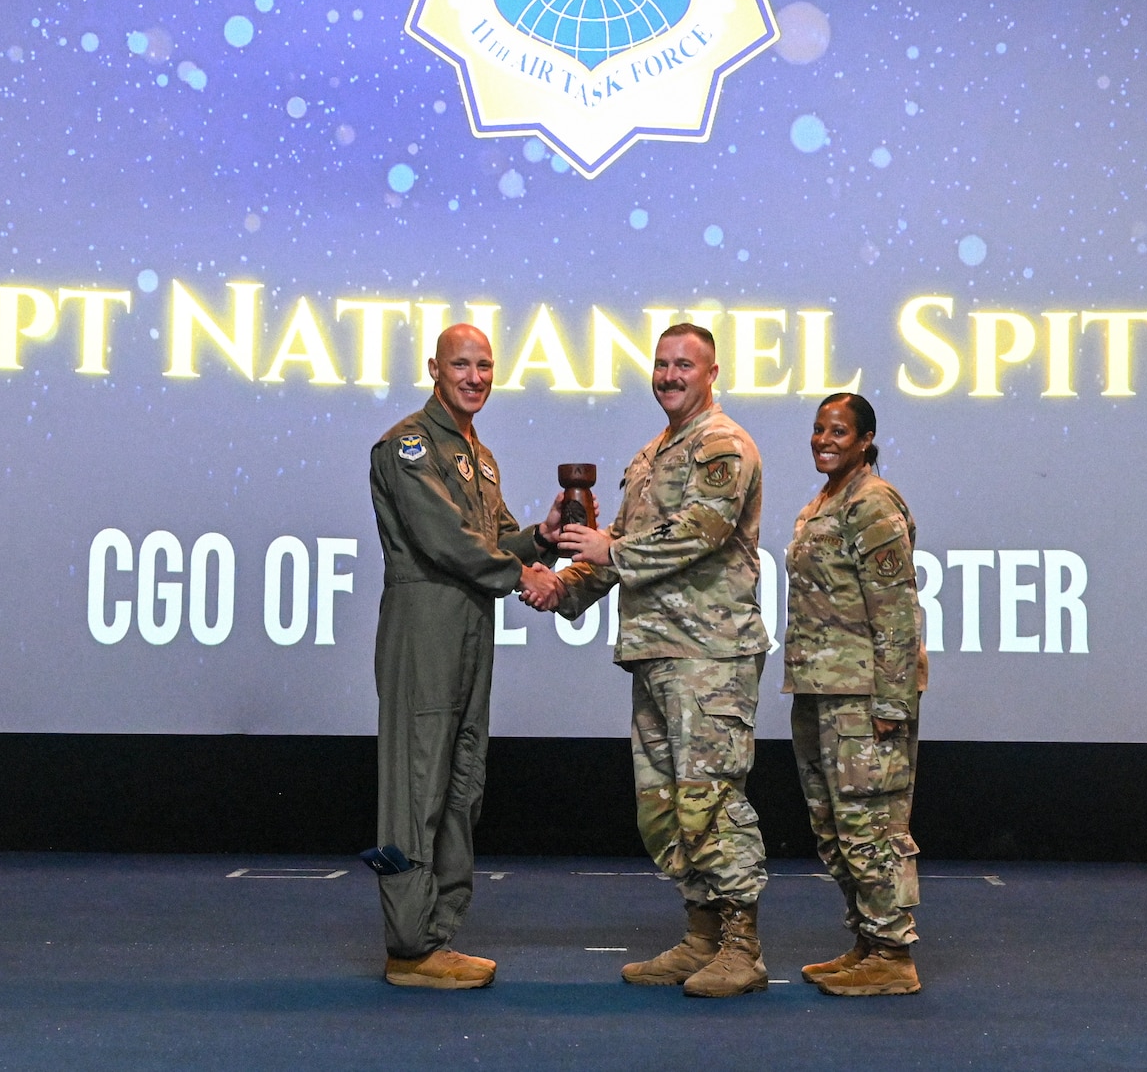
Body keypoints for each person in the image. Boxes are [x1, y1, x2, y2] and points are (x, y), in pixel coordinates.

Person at [538, 323, 771, 999]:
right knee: (666, 807)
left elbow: (698, 532)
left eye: (684, 365)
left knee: (712, 802)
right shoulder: (650, 454)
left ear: (711, 371)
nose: (670, 375)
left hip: (709, 656)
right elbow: (623, 549)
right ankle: (701, 936)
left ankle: (741, 946)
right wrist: (561, 585)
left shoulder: (722, 445)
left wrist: (608, 551)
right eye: (662, 364)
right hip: (655, 652)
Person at [367, 324, 564, 990]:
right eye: (462, 364)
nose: (475, 376)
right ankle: (408, 942)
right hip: (426, 626)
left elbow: (496, 534)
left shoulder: (479, 455)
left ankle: (437, 933)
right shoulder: (408, 446)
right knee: (418, 781)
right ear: (434, 368)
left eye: (484, 365)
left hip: (471, 625)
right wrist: (522, 576)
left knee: (461, 778)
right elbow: (447, 540)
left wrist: (545, 535)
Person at [784, 392, 925, 997]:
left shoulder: (872, 504)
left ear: (865, 440)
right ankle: (867, 942)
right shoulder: (824, 502)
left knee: (871, 824)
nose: (824, 439)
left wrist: (893, 705)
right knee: (834, 825)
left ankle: (894, 955)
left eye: (839, 430)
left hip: (865, 698)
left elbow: (896, 614)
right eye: (818, 429)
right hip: (820, 692)